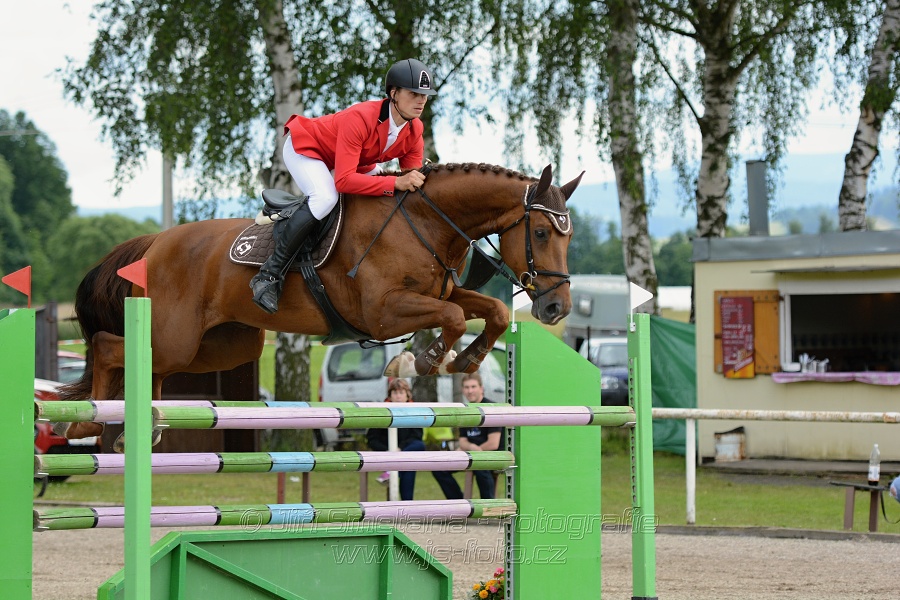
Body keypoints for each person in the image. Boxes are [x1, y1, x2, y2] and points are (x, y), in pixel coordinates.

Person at [250, 58, 437, 313]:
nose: (421, 100)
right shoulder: (361, 117)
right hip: (307, 148)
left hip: (351, 158)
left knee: (386, 181)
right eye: (414, 93)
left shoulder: (415, 129)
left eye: (425, 95)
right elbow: (344, 180)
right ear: (393, 94)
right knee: (325, 197)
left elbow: (409, 180)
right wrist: (395, 182)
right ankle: (269, 275)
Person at [432, 372, 504, 500]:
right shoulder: (465, 411)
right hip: (470, 453)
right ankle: (458, 503)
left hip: (491, 455)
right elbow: (463, 442)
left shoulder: (491, 408)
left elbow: (493, 443)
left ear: (481, 388)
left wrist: (473, 451)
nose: (470, 391)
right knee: (438, 467)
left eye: (473, 387)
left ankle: (487, 507)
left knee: (480, 467)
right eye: (466, 387)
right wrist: (471, 448)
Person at [366, 378, 425, 500]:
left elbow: (417, 436)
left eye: (401, 393)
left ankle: (392, 472)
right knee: (408, 463)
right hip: (386, 453)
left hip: (405, 451)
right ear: (390, 395)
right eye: (395, 393)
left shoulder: (415, 411)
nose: (398, 396)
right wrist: (389, 452)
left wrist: (399, 450)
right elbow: (372, 439)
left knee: (417, 447)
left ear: (407, 395)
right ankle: (405, 505)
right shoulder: (381, 413)